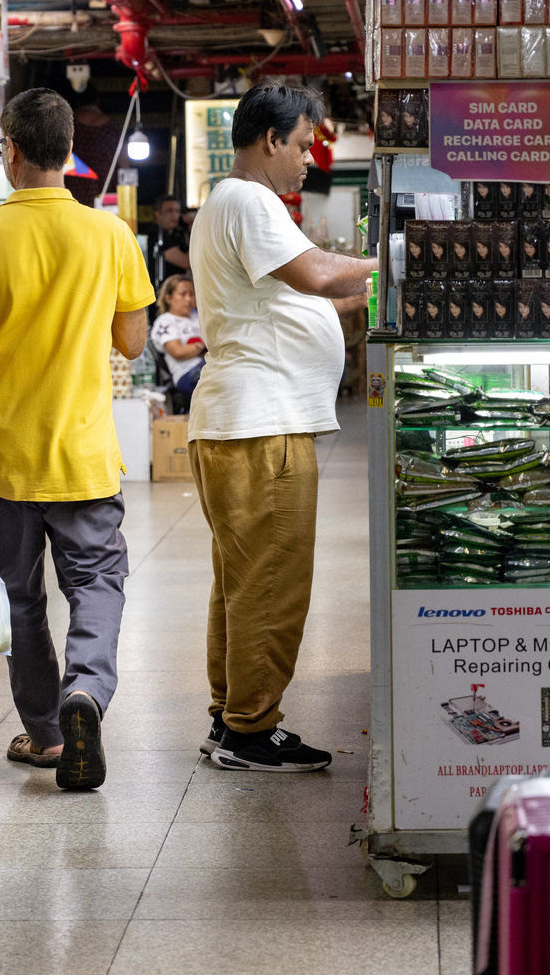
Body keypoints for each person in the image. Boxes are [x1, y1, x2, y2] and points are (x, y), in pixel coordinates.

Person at [0, 88, 154, 792]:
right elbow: (133, 342)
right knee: (96, 584)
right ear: (69, 152)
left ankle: (49, 734)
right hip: (84, 455)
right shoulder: (110, 234)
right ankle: (86, 690)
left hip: (7, 460)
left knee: (19, 600)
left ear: (13, 151)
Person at [186, 83, 379, 773]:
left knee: (244, 582)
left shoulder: (230, 203)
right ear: (270, 140)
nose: (308, 159)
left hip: (242, 420)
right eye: (301, 145)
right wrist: (399, 262)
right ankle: (251, 729)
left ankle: (230, 716)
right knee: (273, 582)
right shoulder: (249, 199)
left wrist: (368, 293)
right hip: (261, 425)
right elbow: (317, 275)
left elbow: (299, 296)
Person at [150, 275, 204, 407]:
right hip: (186, 374)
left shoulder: (199, 317)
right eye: (183, 294)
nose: (188, 299)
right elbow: (178, 351)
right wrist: (205, 346)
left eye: (192, 294)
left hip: (207, 366)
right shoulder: (165, 321)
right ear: (168, 298)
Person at [149, 194, 190, 285]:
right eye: (169, 211)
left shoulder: (174, 235)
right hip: (162, 290)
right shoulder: (157, 234)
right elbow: (187, 262)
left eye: (177, 211)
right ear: (158, 214)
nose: (174, 215)